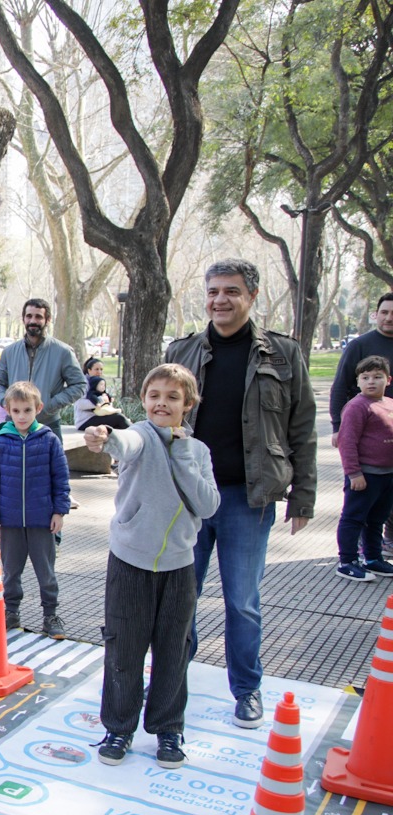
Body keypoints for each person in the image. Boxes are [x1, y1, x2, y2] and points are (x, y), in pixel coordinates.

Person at [166, 258, 316, 729]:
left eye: (231, 291)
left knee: (242, 602)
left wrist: (303, 496)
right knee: (179, 597)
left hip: (246, 501)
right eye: (213, 291)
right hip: (187, 499)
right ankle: (171, 684)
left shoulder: (282, 355)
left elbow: (303, 427)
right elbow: (158, 420)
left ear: (251, 296)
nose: (220, 300)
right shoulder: (183, 350)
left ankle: (247, 690)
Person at [84, 364, 220, 768]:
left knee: (174, 650)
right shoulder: (140, 434)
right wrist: (103, 436)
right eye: (155, 396)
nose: (162, 404)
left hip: (179, 567)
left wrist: (182, 454)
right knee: (124, 645)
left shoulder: (198, 452)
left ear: (188, 405)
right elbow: (123, 443)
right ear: (144, 400)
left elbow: (209, 504)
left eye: (172, 397)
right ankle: (119, 726)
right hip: (130, 560)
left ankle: (168, 728)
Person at [0, 382, 71, 640]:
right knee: (10, 571)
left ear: (38, 409)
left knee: (46, 571)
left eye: (27, 410)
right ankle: (11, 611)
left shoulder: (49, 440)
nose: (21, 416)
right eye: (16, 410)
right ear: (7, 410)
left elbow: (61, 479)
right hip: (9, 521)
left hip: (42, 520)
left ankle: (50, 614)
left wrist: (59, 511)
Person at [334, 355, 393, 581]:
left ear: (388, 380)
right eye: (365, 377)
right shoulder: (357, 407)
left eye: (377, 377)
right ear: (357, 381)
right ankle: (347, 561)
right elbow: (347, 442)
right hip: (364, 475)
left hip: (387, 476)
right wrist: (354, 473)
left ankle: (373, 558)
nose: (371, 381)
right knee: (353, 518)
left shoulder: (388, 404)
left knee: (377, 518)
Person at [0, 298, 86, 437]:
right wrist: (6, 403)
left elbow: (79, 385)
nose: (33, 321)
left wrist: (50, 404)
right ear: (23, 319)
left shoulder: (63, 352)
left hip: (48, 425)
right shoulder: (9, 352)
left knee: (53, 460)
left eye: (38, 317)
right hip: (14, 425)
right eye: (29, 316)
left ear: (47, 320)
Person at [329, 292, 393, 448]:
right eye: (384, 312)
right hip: (366, 431)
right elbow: (340, 386)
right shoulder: (358, 345)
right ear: (376, 314)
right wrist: (337, 427)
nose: (389, 318)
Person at [74, 364, 130, 433]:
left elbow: (107, 403)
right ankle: (137, 437)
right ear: (89, 370)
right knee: (119, 418)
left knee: (120, 424)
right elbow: (80, 404)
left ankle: (135, 437)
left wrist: (108, 401)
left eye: (101, 369)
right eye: (96, 369)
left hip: (100, 416)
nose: (99, 372)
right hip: (85, 421)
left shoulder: (100, 382)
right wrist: (101, 400)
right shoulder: (82, 384)